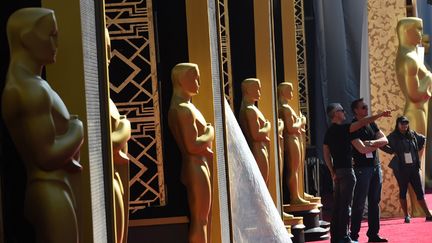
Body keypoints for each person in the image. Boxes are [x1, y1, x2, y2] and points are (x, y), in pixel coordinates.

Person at [2, 8, 83, 243]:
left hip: (54, 187)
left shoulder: (33, 85)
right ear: (27, 38)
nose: (56, 41)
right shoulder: (30, 90)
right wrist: (78, 130)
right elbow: (46, 156)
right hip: (49, 190)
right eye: (51, 34)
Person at [323, 103, 391, 243]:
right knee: (347, 206)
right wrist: (379, 115)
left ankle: (337, 237)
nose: (344, 112)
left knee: (339, 206)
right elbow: (362, 141)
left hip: (340, 171)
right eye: (342, 110)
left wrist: (332, 170)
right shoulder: (344, 128)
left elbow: (325, 153)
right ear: (336, 114)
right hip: (349, 171)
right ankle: (346, 237)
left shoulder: (329, 131)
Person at [168, 63, 214, 243]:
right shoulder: (183, 109)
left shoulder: (186, 106)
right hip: (195, 165)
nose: (198, 82)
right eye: (194, 77)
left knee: (203, 218)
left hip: (199, 164)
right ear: (181, 79)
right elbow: (192, 146)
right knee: (200, 219)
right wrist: (209, 132)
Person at [396, 18, 432, 206]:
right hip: (414, 112)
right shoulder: (408, 59)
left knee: (418, 159)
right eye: (417, 30)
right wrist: (430, 78)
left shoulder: (413, 55)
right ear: (407, 32)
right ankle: (417, 206)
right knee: (413, 161)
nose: (421, 34)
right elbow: (414, 94)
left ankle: (419, 204)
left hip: (420, 111)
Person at [105, 28, 132, 243]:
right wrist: (125, 127)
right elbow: (106, 144)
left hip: (116, 176)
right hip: (107, 178)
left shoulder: (108, 100)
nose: (108, 55)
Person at [349, 98, 388, 243]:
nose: (366, 109)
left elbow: (385, 140)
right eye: (363, 107)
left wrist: (371, 142)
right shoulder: (353, 127)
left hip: (375, 167)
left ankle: (373, 235)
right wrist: (375, 145)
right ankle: (353, 236)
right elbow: (361, 149)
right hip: (361, 169)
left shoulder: (371, 123)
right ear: (356, 111)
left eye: (366, 107)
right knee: (359, 203)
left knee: (374, 202)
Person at [380, 116, 432, 223]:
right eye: (402, 123)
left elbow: (423, 139)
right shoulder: (393, 136)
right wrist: (392, 151)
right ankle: (406, 216)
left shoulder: (412, 134)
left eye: (406, 123)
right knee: (403, 190)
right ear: (397, 124)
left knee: (419, 192)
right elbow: (382, 144)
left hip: (413, 168)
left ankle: (428, 214)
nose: (404, 125)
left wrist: (419, 149)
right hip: (400, 168)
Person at [277, 82, 310, 204]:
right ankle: (294, 196)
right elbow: (290, 128)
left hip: (295, 138)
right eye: (289, 91)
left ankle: (298, 192)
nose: (292, 93)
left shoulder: (286, 107)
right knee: (293, 168)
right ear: (282, 92)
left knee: (297, 167)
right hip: (291, 139)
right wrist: (301, 121)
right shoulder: (285, 108)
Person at [239, 78, 271, 184]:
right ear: (248, 90)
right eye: (257, 89)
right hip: (257, 150)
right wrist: (268, 126)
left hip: (262, 148)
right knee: (260, 183)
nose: (259, 92)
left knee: (263, 182)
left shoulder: (252, 108)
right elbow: (256, 135)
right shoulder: (250, 110)